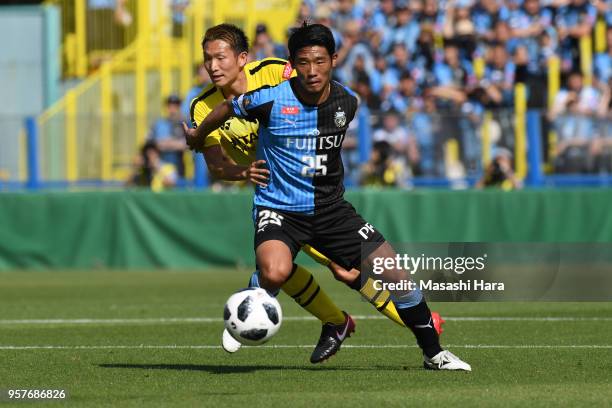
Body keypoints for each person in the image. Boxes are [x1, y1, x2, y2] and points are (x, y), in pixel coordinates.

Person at [187, 22, 470, 371]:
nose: (311, 70)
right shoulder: (260, 100)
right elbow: (228, 114)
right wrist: (200, 136)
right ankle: (255, 305)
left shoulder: (345, 101)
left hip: (330, 209)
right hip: (278, 206)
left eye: (319, 61)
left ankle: (433, 351)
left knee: (381, 272)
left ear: (333, 60)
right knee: (275, 270)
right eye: (303, 63)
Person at [148, 95, 187, 177]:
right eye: (170, 106)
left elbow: (187, 144)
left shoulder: (184, 124)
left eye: (175, 106)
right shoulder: (158, 124)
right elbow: (149, 144)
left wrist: (167, 144)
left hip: (177, 165)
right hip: (160, 165)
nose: (172, 109)